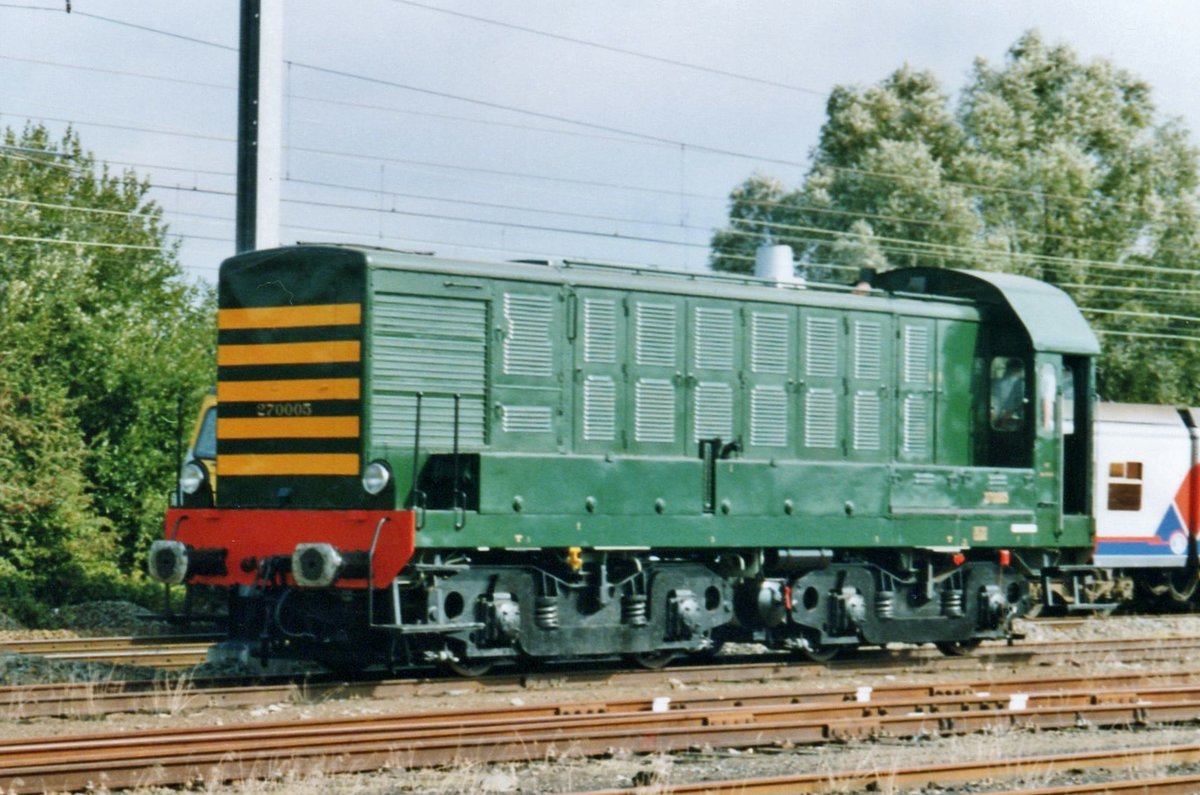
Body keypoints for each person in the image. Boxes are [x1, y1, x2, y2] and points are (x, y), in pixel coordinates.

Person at [991, 357, 1026, 431]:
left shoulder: (995, 382)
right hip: (1007, 422)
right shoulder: (1020, 384)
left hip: (994, 420)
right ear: (1019, 370)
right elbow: (1012, 407)